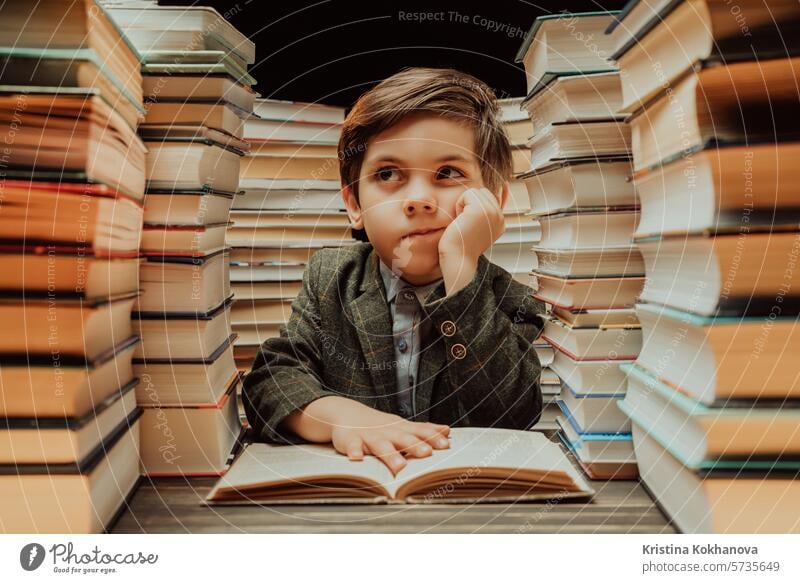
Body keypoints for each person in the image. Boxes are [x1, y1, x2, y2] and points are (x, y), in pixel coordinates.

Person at [243, 67, 547, 474]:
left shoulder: (509, 298)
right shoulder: (331, 279)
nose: (419, 199)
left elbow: (513, 413)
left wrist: (461, 270)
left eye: (448, 174)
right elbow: (270, 381)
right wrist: (340, 416)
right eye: (388, 175)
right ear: (354, 205)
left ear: (493, 201)